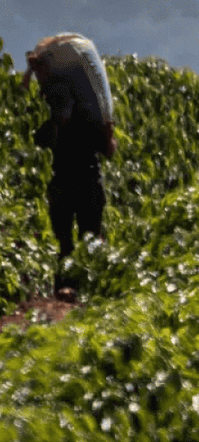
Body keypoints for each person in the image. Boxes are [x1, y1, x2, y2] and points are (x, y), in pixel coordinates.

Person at [22, 42, 116, 286]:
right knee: (86, 235)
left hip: (71, 176)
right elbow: (105, 142)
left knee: (75, 237)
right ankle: (81, 284)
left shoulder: (59, 92)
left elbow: (61, 122)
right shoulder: (79, 97)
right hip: (81, 174)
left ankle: (72, 285)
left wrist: (39, 136)